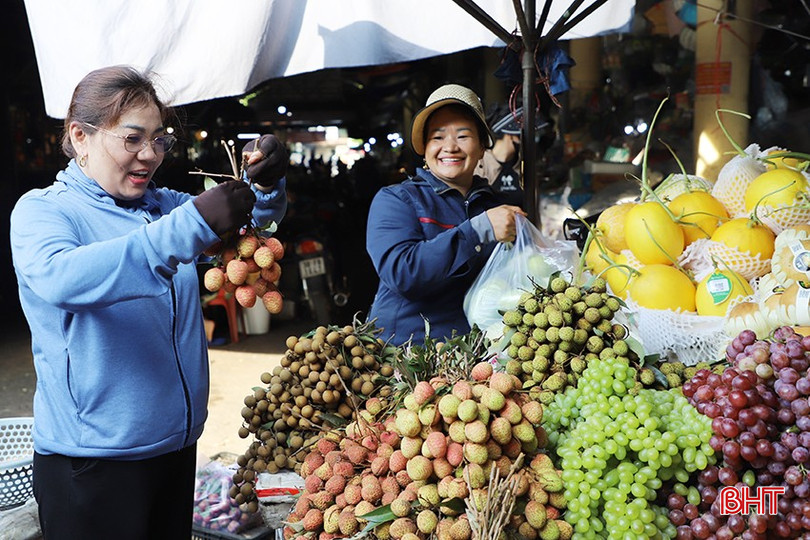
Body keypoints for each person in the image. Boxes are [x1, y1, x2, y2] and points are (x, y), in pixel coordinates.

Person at [9, 65, 288, 539]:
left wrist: (263, 183)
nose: (150, 155)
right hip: (93, 464)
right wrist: (192, 224)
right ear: (80, 136)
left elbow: (245, 219)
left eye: (160, 140)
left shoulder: (162, 207)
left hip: (175, 448)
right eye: (132, 139)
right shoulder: (43, 212)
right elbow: (66, 279)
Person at [365, 83, 526, 346]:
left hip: (476, 359)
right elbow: (402, 272)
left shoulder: (495, 207)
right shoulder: (396, 200)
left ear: (482, 147)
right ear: (425, 149)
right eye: (438, 137)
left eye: (463, 136)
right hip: (404, 354)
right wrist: (477, 231)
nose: (450, 147)